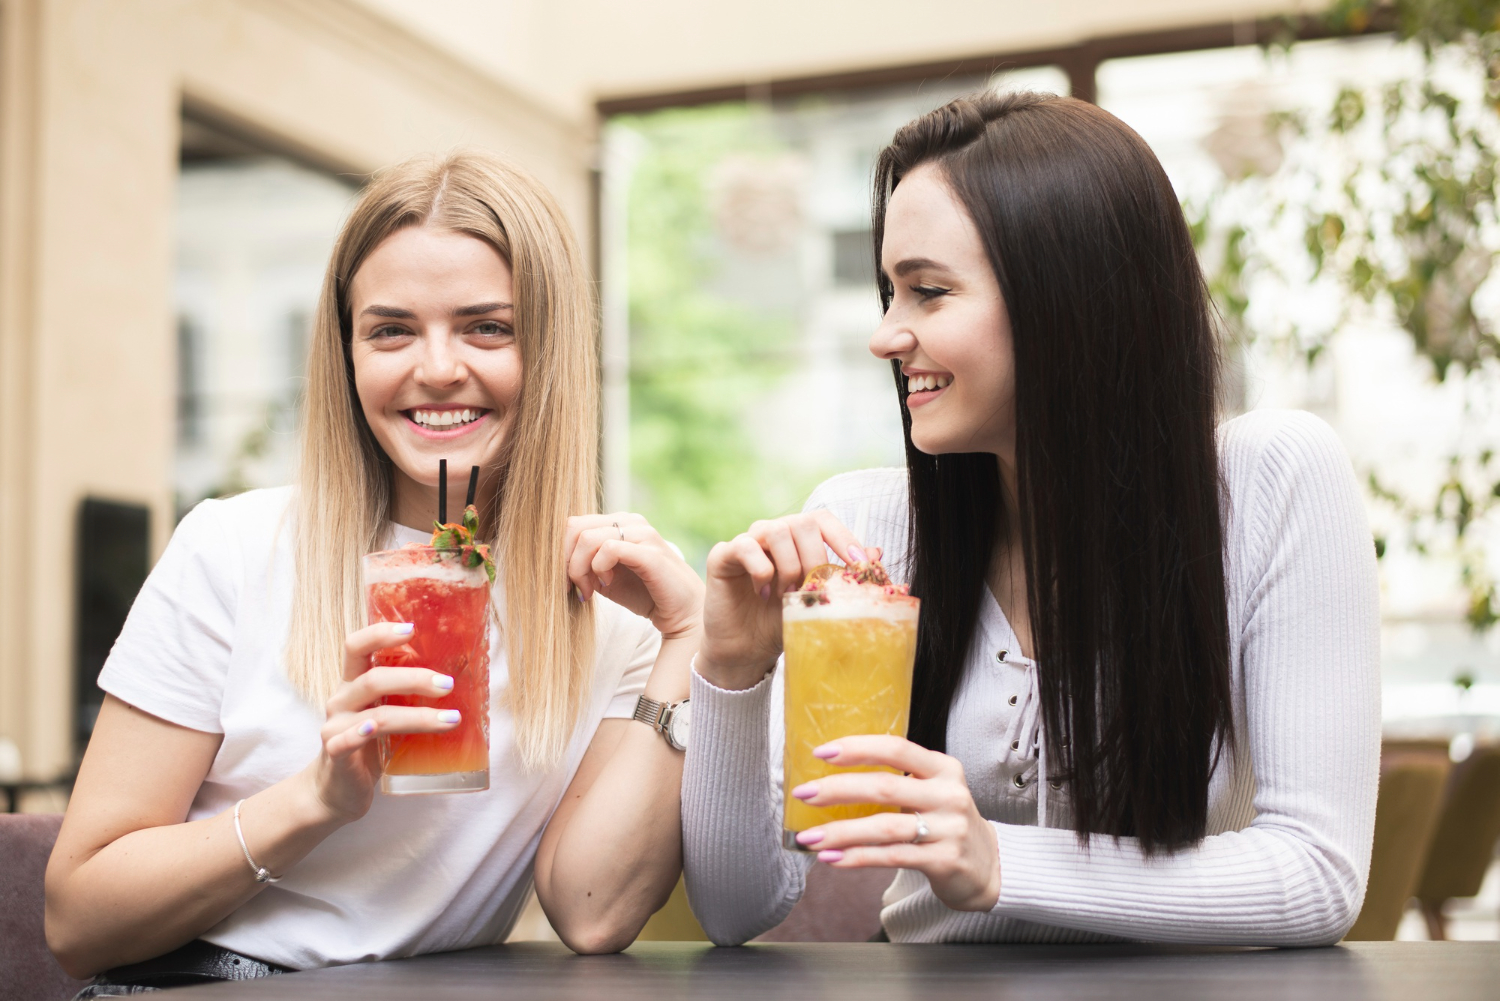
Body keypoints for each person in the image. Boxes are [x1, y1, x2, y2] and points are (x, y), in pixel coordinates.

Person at [682, 91, 1380, 945]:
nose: (886, 335)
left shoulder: (1272, 481)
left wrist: (1000, 862)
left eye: (928, 292)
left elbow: (1316, 872)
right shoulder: (861, 532)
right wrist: (731, 669)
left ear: (1067, 297)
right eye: (889, 293)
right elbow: (734, 909)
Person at [46, 149, 702, 992]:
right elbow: (77, 919)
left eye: (487, 327)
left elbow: (593, 912)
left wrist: (688, 638)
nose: (437, 368)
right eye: (391, 330)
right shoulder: (232, 547)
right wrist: (315, 799)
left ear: (551, 350)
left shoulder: (613, 614)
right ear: (348, 353)